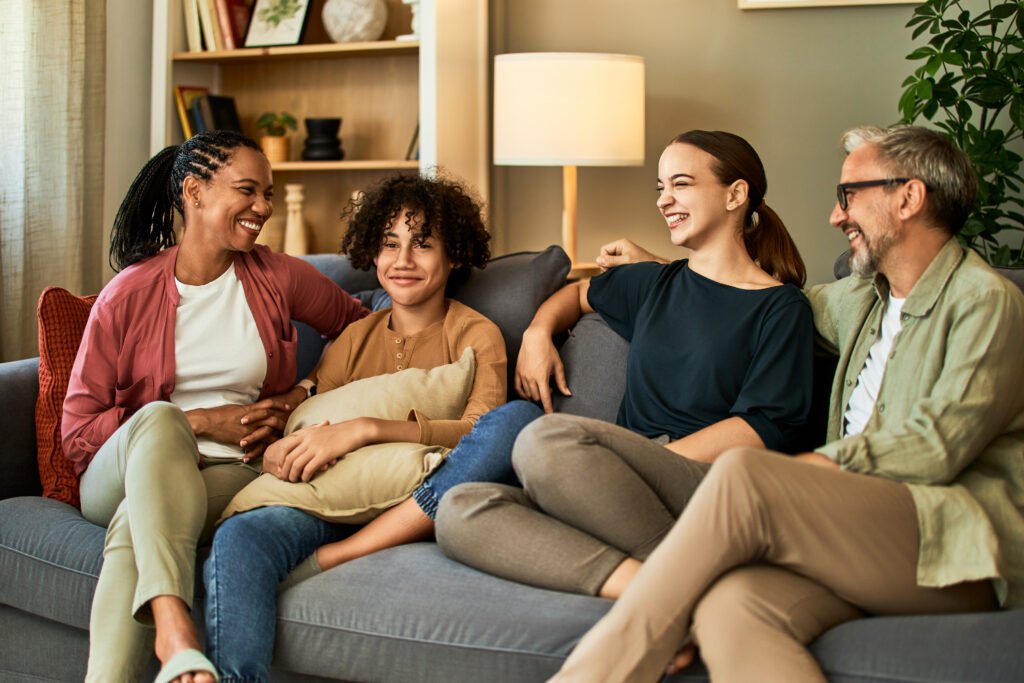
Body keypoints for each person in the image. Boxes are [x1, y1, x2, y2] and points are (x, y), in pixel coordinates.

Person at [550, 124, 1024, 683]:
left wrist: (811, 470)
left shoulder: (986, 302)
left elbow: (938, 444)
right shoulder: (860, 300)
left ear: (908, 198)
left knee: (746, 473)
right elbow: (742, 300)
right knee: (732, 608)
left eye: (849, 195)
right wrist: (661, 269)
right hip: (852, 530)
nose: (835, 215)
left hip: (948, 544)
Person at [434, 130, 815, 601]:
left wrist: (638, 462)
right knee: (459, 509)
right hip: (619, 482)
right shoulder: (653, 283)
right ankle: (662, 587)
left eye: (681, 184)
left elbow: (764, 426)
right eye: (660, 187)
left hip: (702, 481)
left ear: (736, 195)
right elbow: (578, 294)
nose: (664, 199)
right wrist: (537, 334)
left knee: (542, 440)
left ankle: (670, 574)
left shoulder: (780, 307)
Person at [203, 173, 537, 683]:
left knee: (514, 424)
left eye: (422, 244)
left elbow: (479, 431)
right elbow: (303, 411)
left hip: (422, 500)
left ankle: (358, 549)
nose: (403, 260)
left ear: (454, 256)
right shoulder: (354, 338)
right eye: (389, 243)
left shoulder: (477, 334)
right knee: (241, 536)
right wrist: (276, 450)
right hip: (334, 500)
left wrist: (366, 429)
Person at [62, 131, 368, 683]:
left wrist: (302, 394)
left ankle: (170, 645)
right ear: (195, 192)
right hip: (119, 473)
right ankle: (175, 629)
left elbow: (364, 329)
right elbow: (78, 433)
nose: (263, 208)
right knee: (160, 419)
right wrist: (196, 422)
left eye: (268, 194)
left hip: (234, 467)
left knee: (138, 524)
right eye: (247, 191)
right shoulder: (127, 294)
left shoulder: (278, 276)